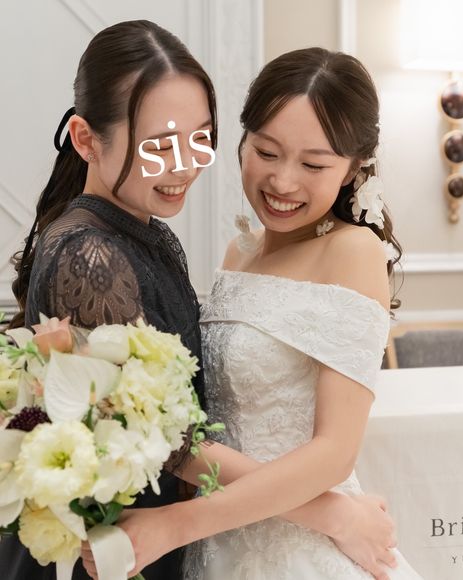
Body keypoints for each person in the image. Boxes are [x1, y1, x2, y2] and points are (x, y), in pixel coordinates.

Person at [3, 21, 396, 580]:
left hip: (217, 532)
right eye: (160, 146)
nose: (183, 165)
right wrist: (331, 513)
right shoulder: (95, 255)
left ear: (353, 167)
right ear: (87, 140)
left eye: (199, 138)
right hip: (143, 537)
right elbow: (160, 437)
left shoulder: (154, 237)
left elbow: (321, 446)